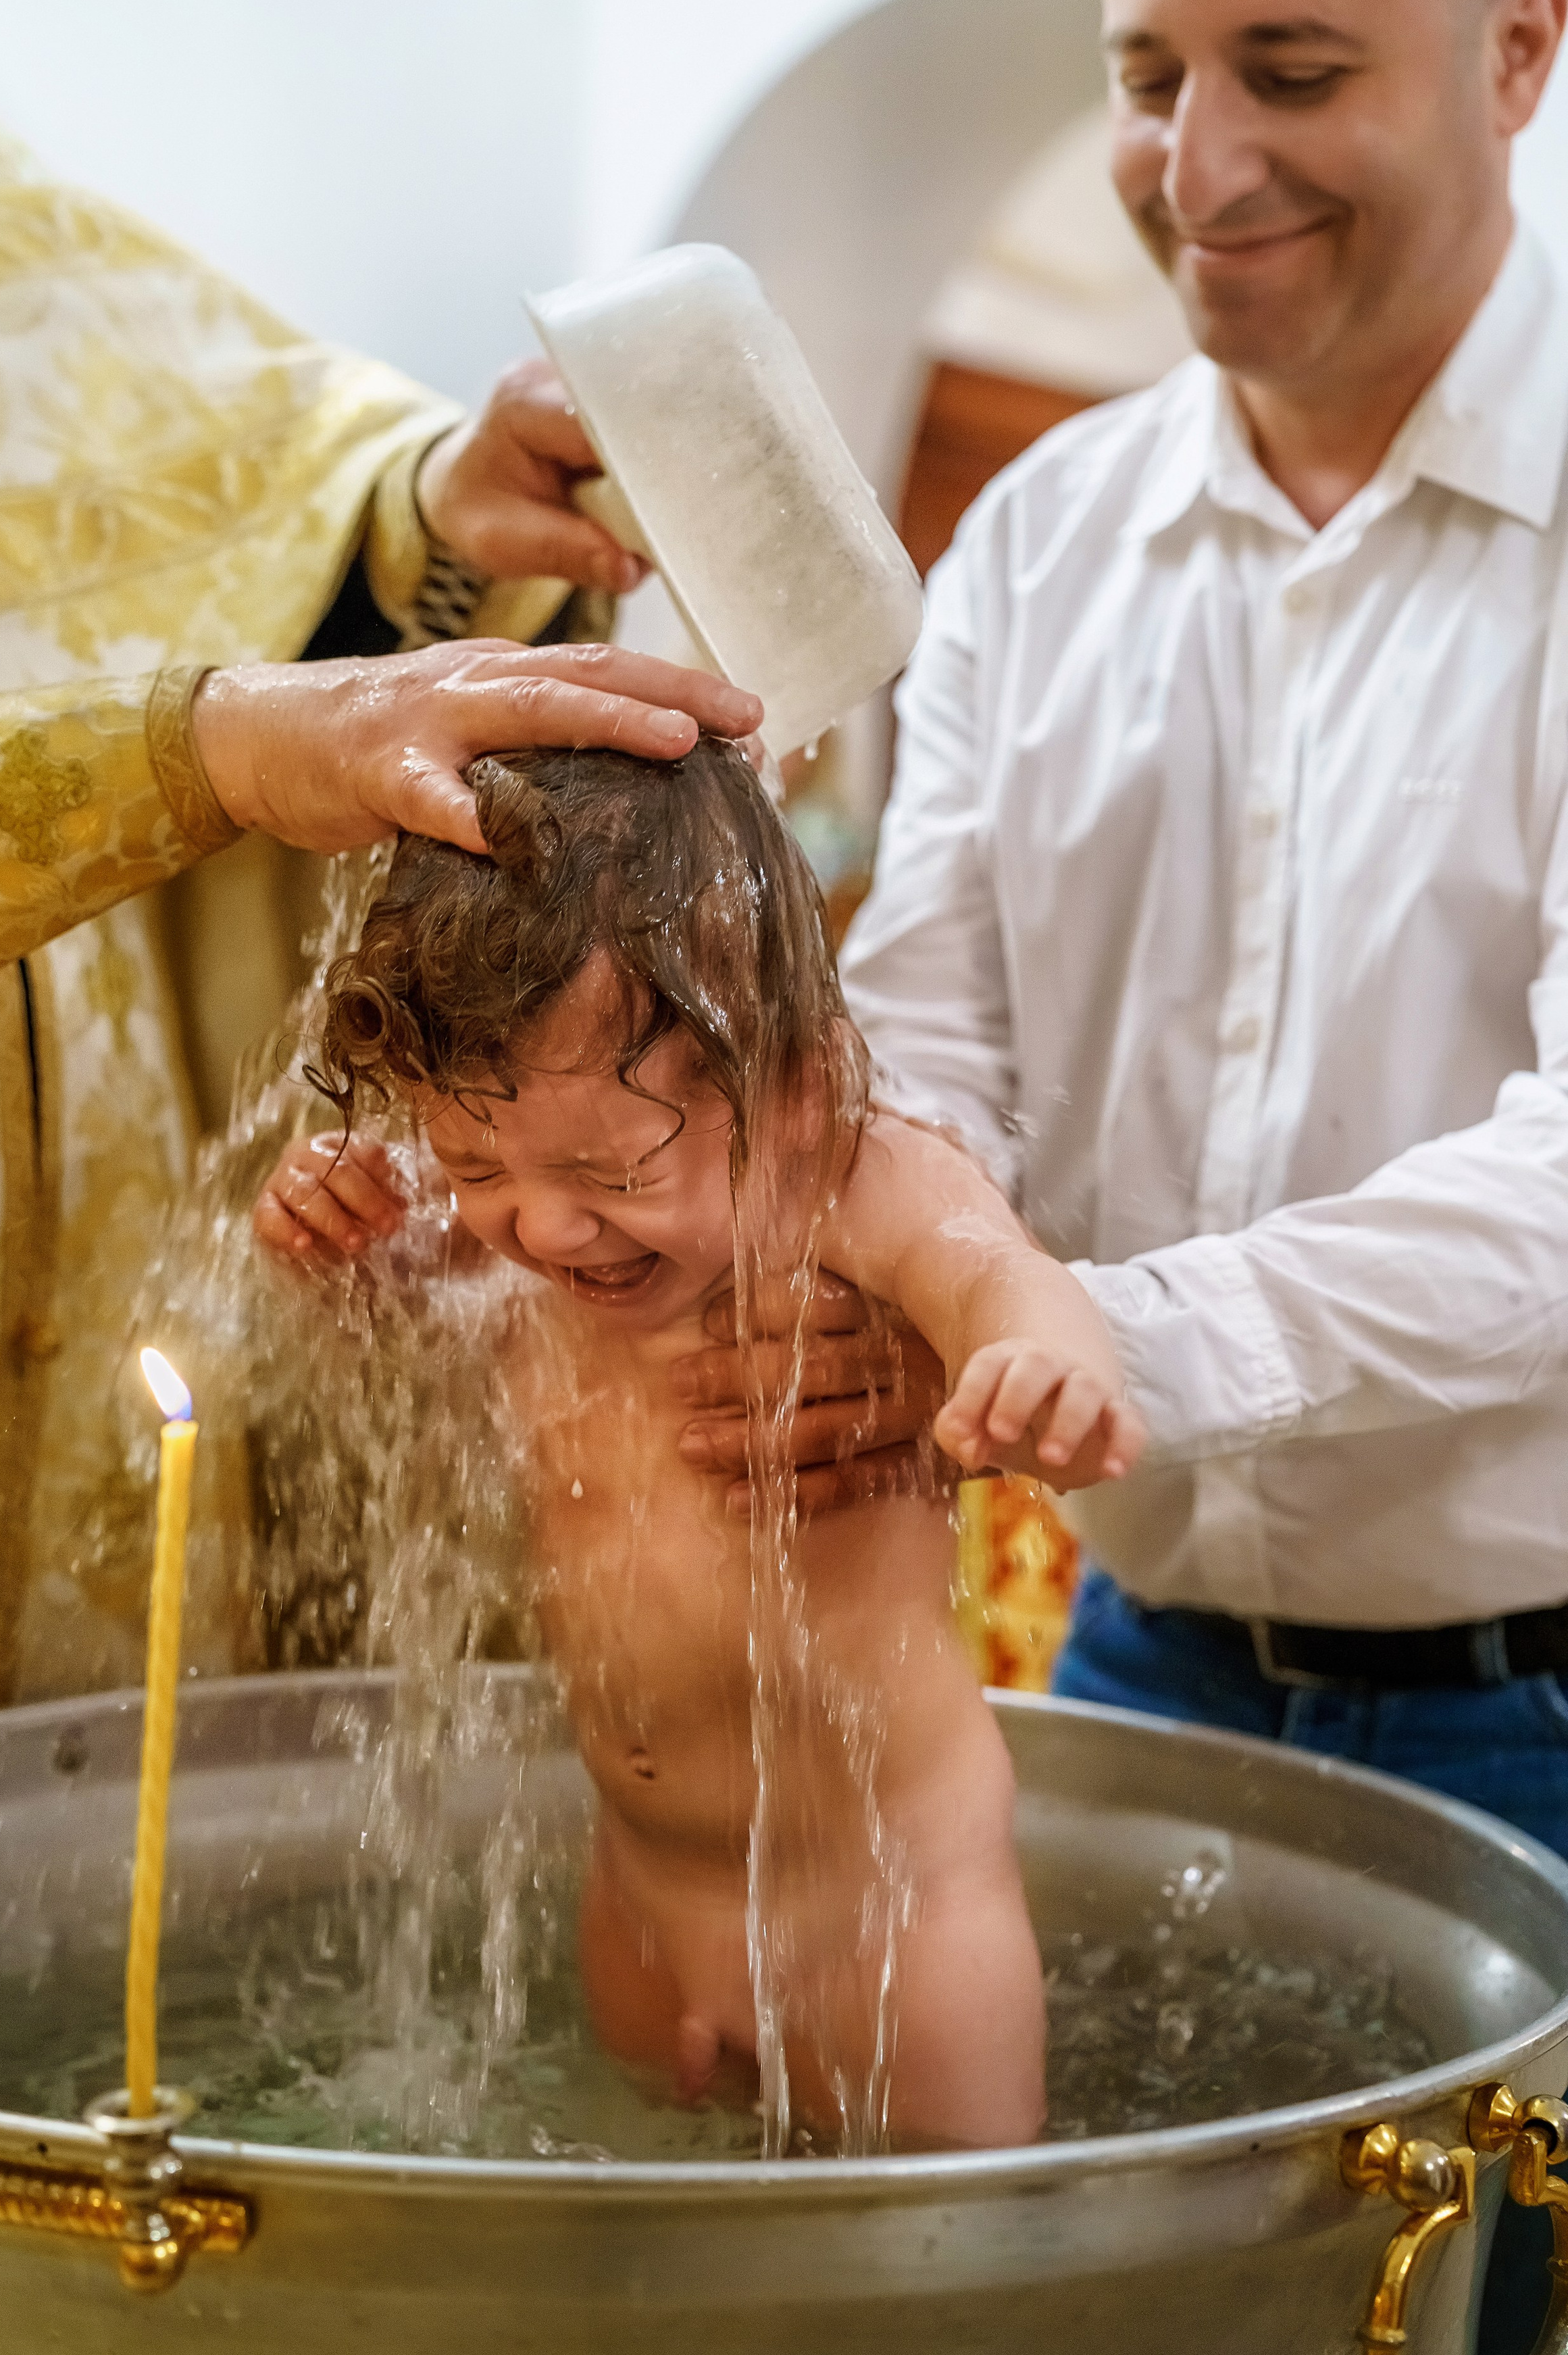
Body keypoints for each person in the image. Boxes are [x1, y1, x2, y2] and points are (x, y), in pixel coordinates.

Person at [740, 0, 1563, 2355]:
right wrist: (895, 1264)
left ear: (1521, 48)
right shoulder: (1039, 540)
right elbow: (941, 1036)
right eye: (1145, 73)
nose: (1196, 170)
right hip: (1135, 1654)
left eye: (1293, 69)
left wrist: (1108, 1331)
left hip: (1542, 1707)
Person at [0, 21, 755, 1743]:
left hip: (92, 1370)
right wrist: (223, 747)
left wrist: (430, 531)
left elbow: (270, 520)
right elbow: (223, 724)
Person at [253, 740, 1142, 2145]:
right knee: (658, 2289)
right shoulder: (524, 1204)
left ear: (787, 1083)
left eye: (610, 1175)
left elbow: (996, 1275)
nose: (540, 1229)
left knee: (932, 2310)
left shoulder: (850, 1177)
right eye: (475, 1167)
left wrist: (1044, 1364)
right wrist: (350, 1253)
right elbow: (404, 1341)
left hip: (890, 1935)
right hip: (642, 1905)